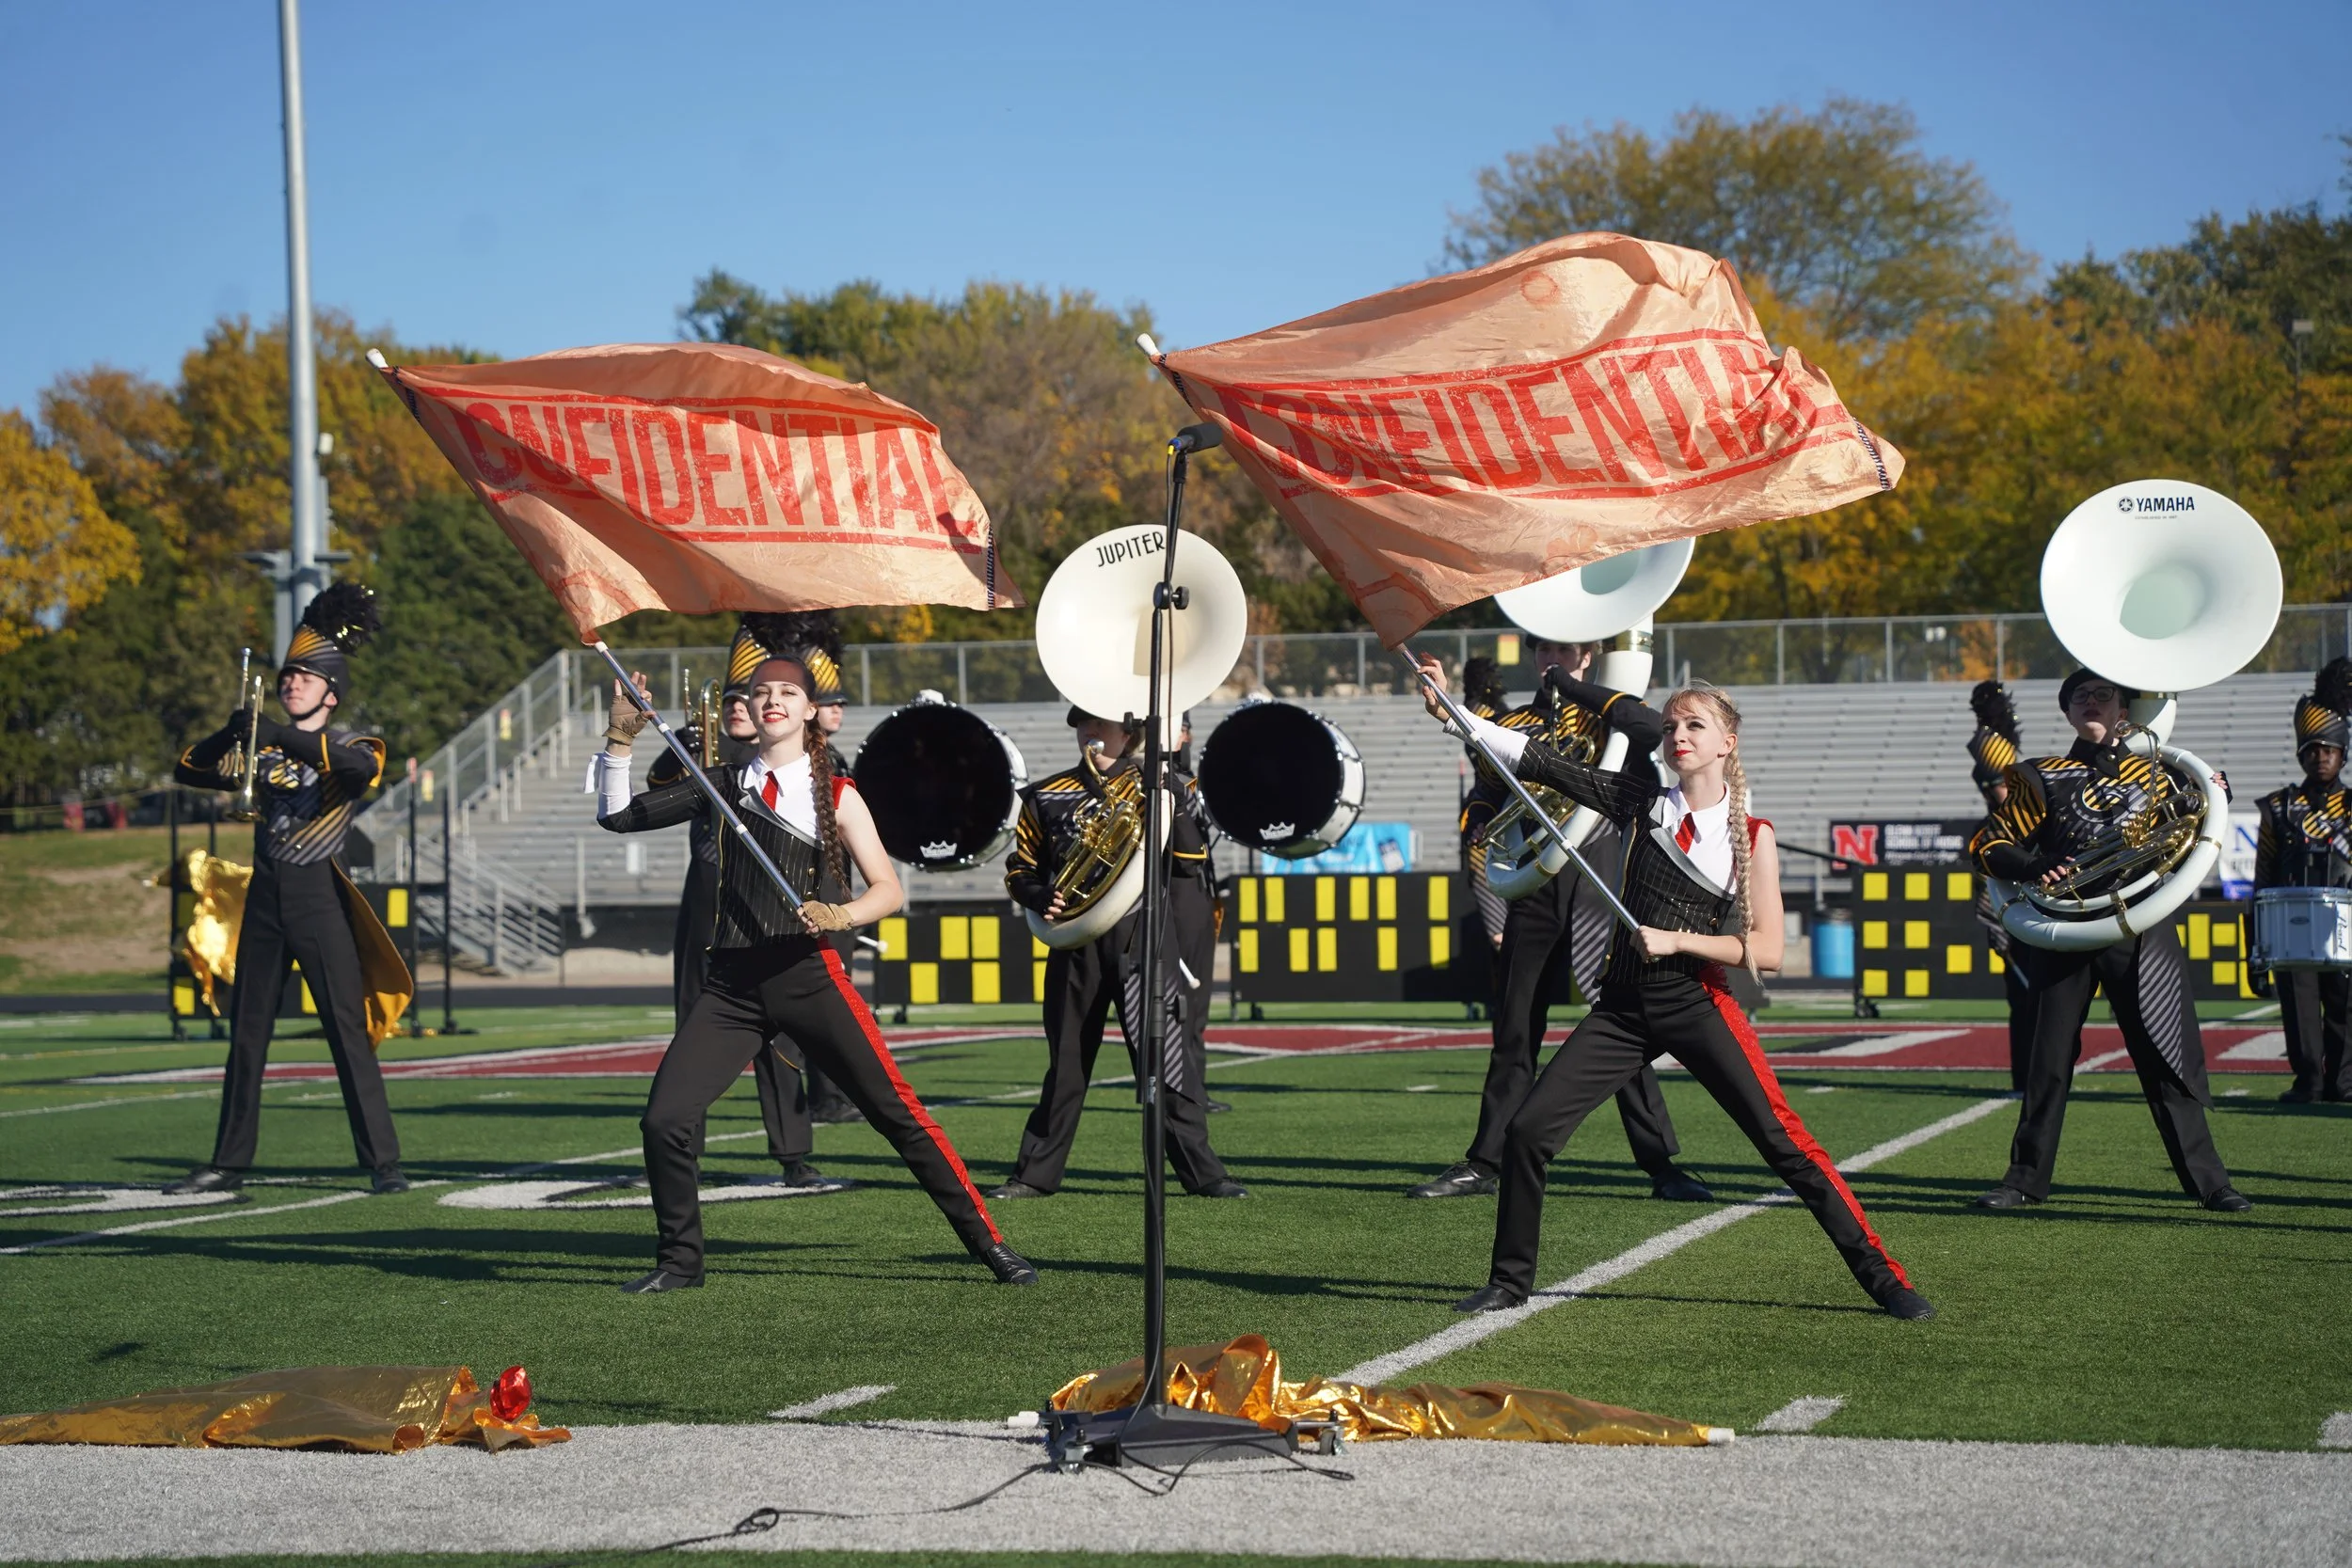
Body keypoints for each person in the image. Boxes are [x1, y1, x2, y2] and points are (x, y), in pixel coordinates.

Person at [1416, 659, 1932, 1321]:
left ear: (1727, 742)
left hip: (1697, 1002)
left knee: (1788, 1148)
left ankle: (1884, 1278)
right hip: (1624, 1010)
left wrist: (1679, 940)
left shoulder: (1752, 834)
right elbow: (1539, 761)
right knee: (1528, 1132)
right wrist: (1450, 714)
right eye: (1670, 726)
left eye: (1695, 724)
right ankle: (1510, 1282)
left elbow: (1766, 952)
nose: (1678, 735)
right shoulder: (1641, 802)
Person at [593, 656, 1030, 1292]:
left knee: (896, 1113)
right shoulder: (717, 784)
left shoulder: (837, 792)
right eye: (760, 692)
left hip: (808, 974)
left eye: (786, 693)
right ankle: (680, 1261)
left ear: (807, 711)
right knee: (665, 1118)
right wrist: (620, 739)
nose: (771, 701)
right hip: (730, 987)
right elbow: (617, 817)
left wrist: (839, 912)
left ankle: (989, 1243)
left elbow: (887, 890)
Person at [1410, 640, 1711, 1206]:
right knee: (1515, 1025)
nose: (1559, 653)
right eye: (1548, 646)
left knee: (1622, 1021)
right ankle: (1485, 1161)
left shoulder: (1609, 713)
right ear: (1530, 650)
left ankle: (1661, 1165)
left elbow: (1644, 725)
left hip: (1602, 874)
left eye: (1572, 647)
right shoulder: (1512, 720)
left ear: (1592, 653)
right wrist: (1476, 815)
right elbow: (1488, 786)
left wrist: (1570, 686)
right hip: (1538, 878)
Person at [1967, 669, 2249, 1213]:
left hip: (2142, 925)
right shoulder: (2039, 774)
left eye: (2104, 695)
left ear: (2124, 709)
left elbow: (2196, 826)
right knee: (2046, 1062)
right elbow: (1988, 845)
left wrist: (2216, 793)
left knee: (2165, 1056)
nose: (2092, 702)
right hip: (2065, 928)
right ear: (2067, 711)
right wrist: (2037, 864)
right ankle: (2024, 1181)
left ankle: (2211, 1183)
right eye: (2080, 696)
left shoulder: (2161, 774)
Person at [166, 584, 413, 1196]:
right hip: (268, 897)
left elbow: (356, 772)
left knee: (344, 1030)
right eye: (287, 675)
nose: (290, 683)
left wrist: (275, 732)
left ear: (331, 692)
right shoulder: (263, 750)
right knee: (247, 1032)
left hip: (319, 896)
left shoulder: (355, 744)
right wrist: (233, 733)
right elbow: (188, 769)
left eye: (304, 676)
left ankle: (384, 1163)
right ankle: (228, 1161)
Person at [991, 706, 1246, 1201]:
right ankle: (1033, 1176)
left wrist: (1169, 794)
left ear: (1128, 733)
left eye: (1099, 725)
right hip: (1075, 943)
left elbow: (1191, 863)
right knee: (1065, 1064)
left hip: (1142, 941)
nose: (1088, 733)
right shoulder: (1046, 794)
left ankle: (1203, 1173)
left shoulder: (1163, 786)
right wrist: (1039, 895)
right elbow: (1019, 870)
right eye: (1082, 725)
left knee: (1166, 1061)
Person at [645, 615, 846, 1192]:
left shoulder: (773, 762)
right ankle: (685, 1147)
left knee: (778, 1030)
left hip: (761, 901)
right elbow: (655, 794)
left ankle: (793, 1152)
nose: (741, 707)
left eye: (748, 697)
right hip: (704, 894)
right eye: (735, 698)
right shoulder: (707, 759)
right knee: (693, 1022)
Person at [2252, 658, 2352, 1103]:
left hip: (2346, 929)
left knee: (2346, 1010)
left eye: (2329, 749)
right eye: (2311, 749)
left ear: (2343, 754)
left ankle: (2344, 1083)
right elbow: (2262, 879)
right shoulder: (2278, 807)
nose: (2320, 757)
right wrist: (2253, 951)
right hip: (2292, 931)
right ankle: (2309, 1081)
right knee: (2299, 1010)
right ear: (2300, 754)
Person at [1965, 680, 2033, 1093]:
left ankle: (2045, 1077)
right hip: (2015, 920)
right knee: (2022, 1004)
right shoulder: (1988, 829)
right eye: (1995, 786)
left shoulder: (2036, 819)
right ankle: (2024, 1078)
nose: (2001, 792)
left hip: (2043, 917)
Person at [1168, 711, 1229, 1116]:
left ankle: (1195, 1088)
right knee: (1181, 1003)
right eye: (1179, 728)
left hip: (1198, 896)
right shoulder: (1162, 782)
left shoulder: (1190, 782)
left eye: (1187, 729)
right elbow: (1189, 854)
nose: (1185, 737)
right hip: (1174, 894)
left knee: (1197, 1002)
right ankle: (1182, 1090)